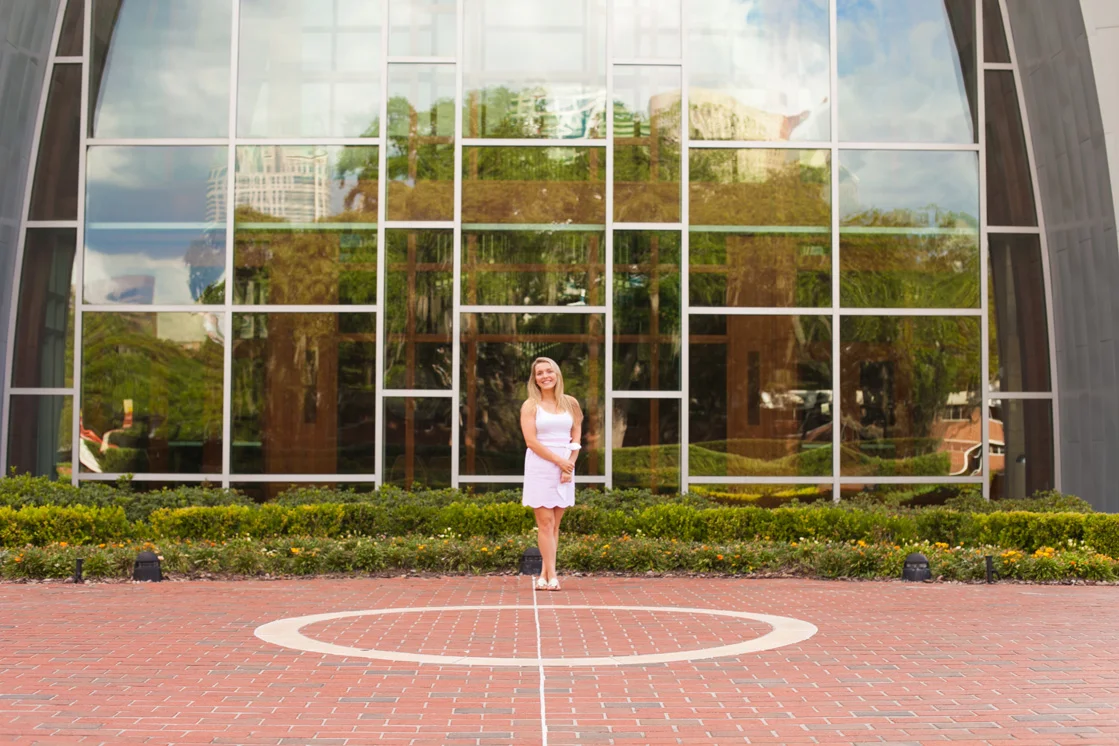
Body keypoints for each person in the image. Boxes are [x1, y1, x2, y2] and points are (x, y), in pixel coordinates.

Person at [520, 356, 583, 591]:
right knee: (545, 523)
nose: (545, 376)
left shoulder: (571, 404)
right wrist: (559, 461)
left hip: (566, 468)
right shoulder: (530, 405)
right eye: (539, 373)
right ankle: (552, 575)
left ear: (557, 375)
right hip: (540, 466)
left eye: (549, 371)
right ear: (535, 379)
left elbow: (576, 437)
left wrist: (570, 465)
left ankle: (545, 574)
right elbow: (531, 441)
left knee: (555, 525)